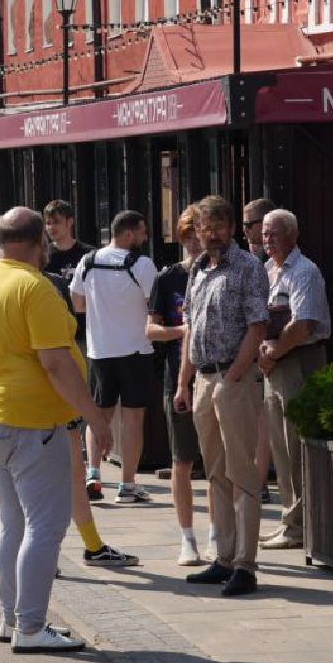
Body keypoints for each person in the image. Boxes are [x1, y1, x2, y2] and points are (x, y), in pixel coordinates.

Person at [0, 206, 113, 652]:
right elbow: (57, 363)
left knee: (13, 524)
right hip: (31, 420)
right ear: (40, 241)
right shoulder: (35, 287)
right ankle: (30, 626)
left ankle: (12, 618)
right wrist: (96, 418)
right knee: (45, 526)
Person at [175, 195, 269, 597]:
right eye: (203, 227)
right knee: (214, 472)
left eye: (217, 226)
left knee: (242, 472)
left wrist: (233, 376)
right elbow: (191, 329)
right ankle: (224, 558)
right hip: (202, 380)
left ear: (231, 228)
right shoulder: (197, 268)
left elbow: (258, 325)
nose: (210, 234)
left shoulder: (248, 268)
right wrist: (184, 382)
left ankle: (246, 564)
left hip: (234, 378)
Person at [70, 210, 158, 504]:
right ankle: (128, 485)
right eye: (143, 232)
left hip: (100, 350)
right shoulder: (142, 264)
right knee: (133, 418)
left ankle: (93, 473)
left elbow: (78, 303)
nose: (145, 238)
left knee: (98, 414)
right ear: (129, 234)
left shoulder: (89, 260)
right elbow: (153, 306)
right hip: (136, 350)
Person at [257, 208, 332, 551]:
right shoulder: (266, 271)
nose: (266, 239)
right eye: (263, 234)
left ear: (292, 235)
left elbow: (304, 324)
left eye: (273, 233)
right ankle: (289, 519)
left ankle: (301, 524)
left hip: (299, 360)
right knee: (280, 446)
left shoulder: (305, 271)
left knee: (295, 441)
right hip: (274, 363)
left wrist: (273, 352)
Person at [147, 208, 208, 565]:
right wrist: (181, 331)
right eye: (187, 237)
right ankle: (187, 538)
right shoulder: (168, 278)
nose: (194, 244)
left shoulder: (221, 273)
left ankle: (219, 534)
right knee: (182, 458)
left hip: (215, 373)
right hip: (177, 374)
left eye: (198, 236)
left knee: (219, 462)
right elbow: (150, 330)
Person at [243, 197, 278, 504]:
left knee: (264, 417)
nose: (245, 231)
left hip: (270, 348)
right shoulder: (246, 261)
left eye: (248, 224)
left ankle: (260, 478)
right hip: (247, 347)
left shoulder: (273, 265)